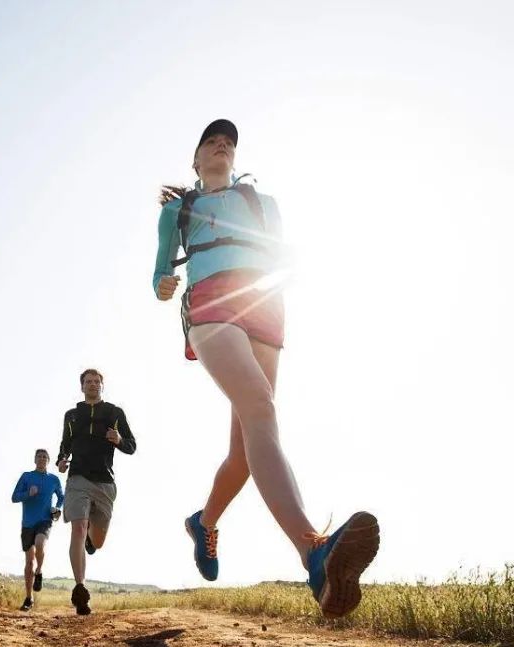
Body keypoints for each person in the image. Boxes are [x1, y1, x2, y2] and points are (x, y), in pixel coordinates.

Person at [153, 119, 380, 619]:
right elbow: (159, 274)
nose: (221, 144)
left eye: (229, 141)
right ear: (195, 160)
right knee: (260, 408)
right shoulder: (178, 209)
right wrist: (165, 286)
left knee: (244, 451)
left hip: (264, 307)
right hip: (211, 305)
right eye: (211, 140)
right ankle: (314, 553)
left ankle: (203, 523)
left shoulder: (263, 203)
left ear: (235, 158)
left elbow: (281, 256)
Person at [57, 368, 136, 616]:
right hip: (78, 478)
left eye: (96, 382)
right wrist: (61, 460)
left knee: (97, 542)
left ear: (102, 386)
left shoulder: (114, 413)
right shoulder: (71, 415)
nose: (92, 385)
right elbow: (64, 445)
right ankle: (80, 589)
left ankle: (91, 540)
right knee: (78, 527)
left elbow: (132, 446)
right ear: (82, 387)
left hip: (104, 482)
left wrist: (119, 440)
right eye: (88, 382)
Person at [11, 448, 64, 611]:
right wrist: (28, 493)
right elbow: (14, 497)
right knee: (28, 561)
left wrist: (56, 508)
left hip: (45, 520)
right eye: (39, 456)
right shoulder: (26, 476)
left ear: (48, 461)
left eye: (44, 457)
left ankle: (39, 572)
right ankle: (28, 598)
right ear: (35, 460)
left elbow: (61, 497)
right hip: (27, 523)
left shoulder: (54, 479)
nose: (41, 459)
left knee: (40, 543)